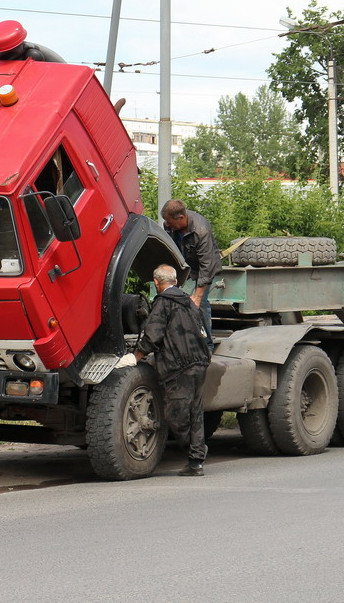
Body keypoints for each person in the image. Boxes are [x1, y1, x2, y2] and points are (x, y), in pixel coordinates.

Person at [134, 264, 211, 477]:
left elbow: (152, 335)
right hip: (200, 362)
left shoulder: (163, 303)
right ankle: (196, 463)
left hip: (179, 367)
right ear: (175, 281)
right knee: (195, 413)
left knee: (175, 415)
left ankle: (197, 452)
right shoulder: (189, 302)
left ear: (156, 282)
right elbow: (203, 330)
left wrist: (134, 358)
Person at [160, 199, 222, 349]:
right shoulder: (169, 225)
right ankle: (177, 342)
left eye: (169, 221)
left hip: (204, 267)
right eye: (166, 222)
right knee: (171, 300)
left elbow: (207, 266)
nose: (167, 225)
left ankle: (207, 346)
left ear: (181, 217)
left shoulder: (201, 230)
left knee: (200, 306)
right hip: (184, 265)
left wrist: (197, 296)